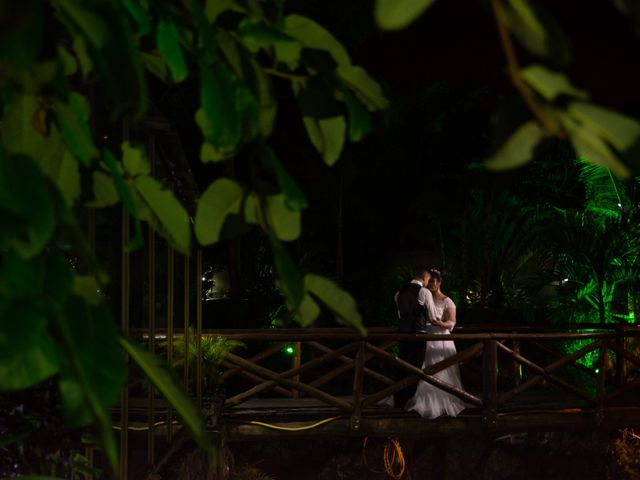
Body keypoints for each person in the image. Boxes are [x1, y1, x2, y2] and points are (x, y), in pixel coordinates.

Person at [406, 268, 469, 419]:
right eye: (430, 281)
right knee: (425, 368)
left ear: (440, 283)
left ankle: (446, 398)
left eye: (435, 281)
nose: (432, 284)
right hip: (426, 337)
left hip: (441, 338)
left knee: (441, 368)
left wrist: (441, 324)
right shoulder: (423, 295)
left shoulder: (447, 301)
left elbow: (452, 323)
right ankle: (423, 398)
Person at [393, 266, 438, 409]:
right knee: (416, 369)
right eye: (428, 280)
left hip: (402, 334)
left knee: (402, 368)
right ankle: (410, 402)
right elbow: (432, 317)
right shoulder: (424, 292)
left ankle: (399, 401)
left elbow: (400, 315)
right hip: (418, 335)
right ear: (425, 278)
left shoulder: (399, 293)